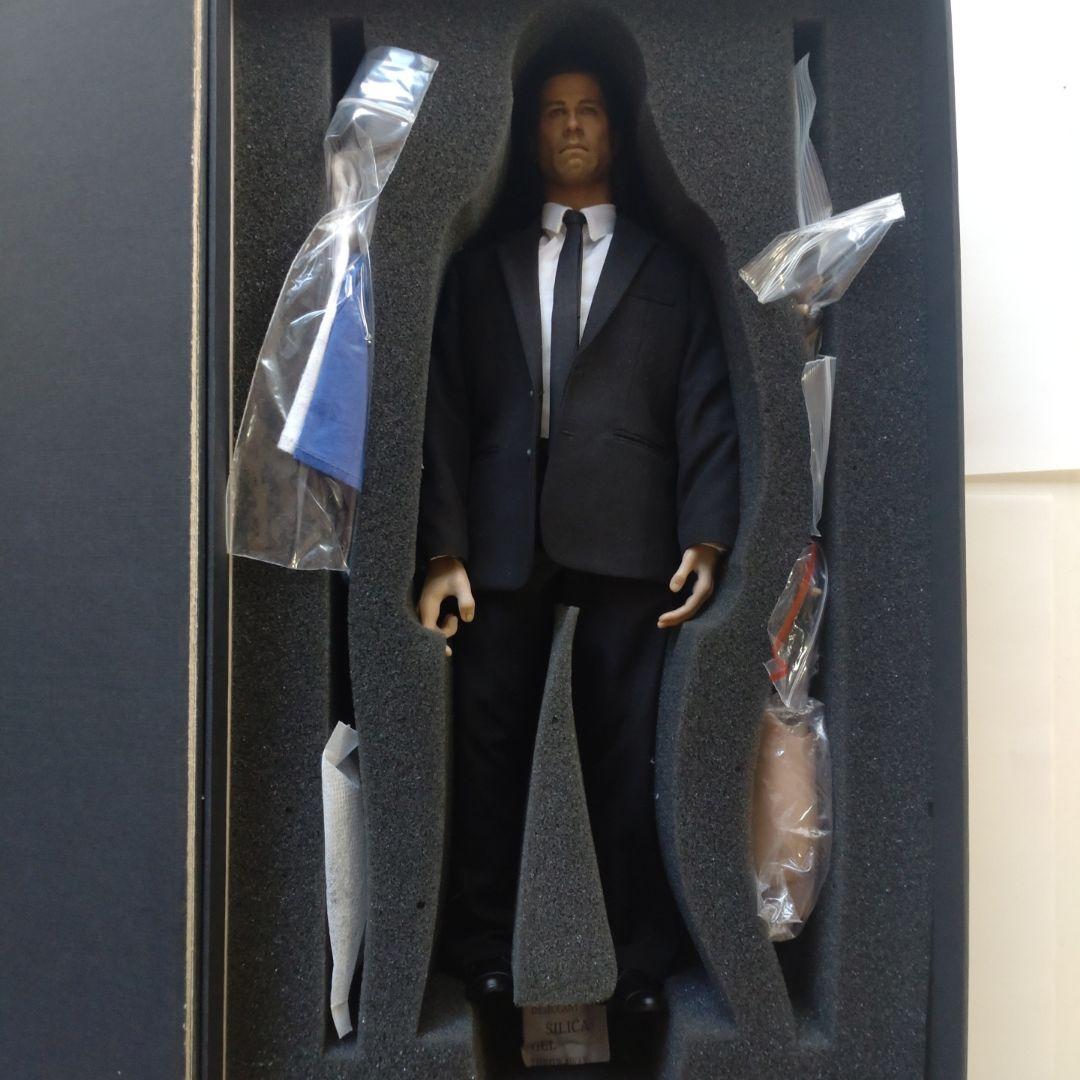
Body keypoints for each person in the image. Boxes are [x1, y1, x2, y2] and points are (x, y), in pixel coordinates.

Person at [416, 56, 739, 1015]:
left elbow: (706, 400)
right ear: (529, 132)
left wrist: (707, 532)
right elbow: (441, 410)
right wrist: (442, 548)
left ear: (616, 129)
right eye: (554, 111)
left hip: (631, 539)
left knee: (628, 752)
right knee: (489, 748)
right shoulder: (481, 269)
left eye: (589, 110)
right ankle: (482, 948)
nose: (571, 126)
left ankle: (641, 961)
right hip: (501, 538)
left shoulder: (669, 269)